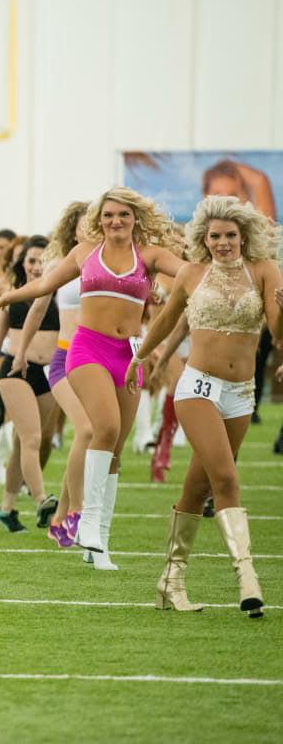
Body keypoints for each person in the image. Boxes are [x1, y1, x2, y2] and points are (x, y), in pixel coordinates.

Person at [0, 187, 183, 567]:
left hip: (129, 354)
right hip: (87, 349)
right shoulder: (84, 254)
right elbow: (44, 286)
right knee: (103, 429)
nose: (115, 221)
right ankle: (85, 522)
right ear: (99, 219)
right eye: (108, 215)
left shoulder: (150, 256)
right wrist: (5, 299)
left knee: (115, 452)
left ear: (135, 219)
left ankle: (101, 544)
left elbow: (190, 274)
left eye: (123, 215)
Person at [125, 195, 282, 617]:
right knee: (227, 480)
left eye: (230, 235)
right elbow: (169, 322)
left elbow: (276, 327)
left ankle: (170, 582)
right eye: (215, 236)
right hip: (198, 386)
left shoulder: (264, 271)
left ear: (244, 236)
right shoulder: (193, 273)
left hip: (242, 392)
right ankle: (247, 578)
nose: (223, 243)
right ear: (204, 238)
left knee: (197, 487)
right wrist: (141, 358)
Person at [0, 237, 60, 532]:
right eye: (31, 260)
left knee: (29, 442)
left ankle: (6, 508)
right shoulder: (12, 297)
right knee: (30, 438)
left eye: (43, 260)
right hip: (15, 371)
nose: (36, 266)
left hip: (49, 374)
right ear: (23, 264)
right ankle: (42, 499)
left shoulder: (61, 295)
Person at [11, 202, 93, 551]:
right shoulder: (63, 264)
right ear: (72, 229)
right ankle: (74, 512)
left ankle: (61, 518)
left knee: (89, 439)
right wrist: (20, 351)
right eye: (83, 224)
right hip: (65, 357)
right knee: (85, 432)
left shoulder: (112, 263)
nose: (91, 229)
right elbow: (39, 305)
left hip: (99, 360)